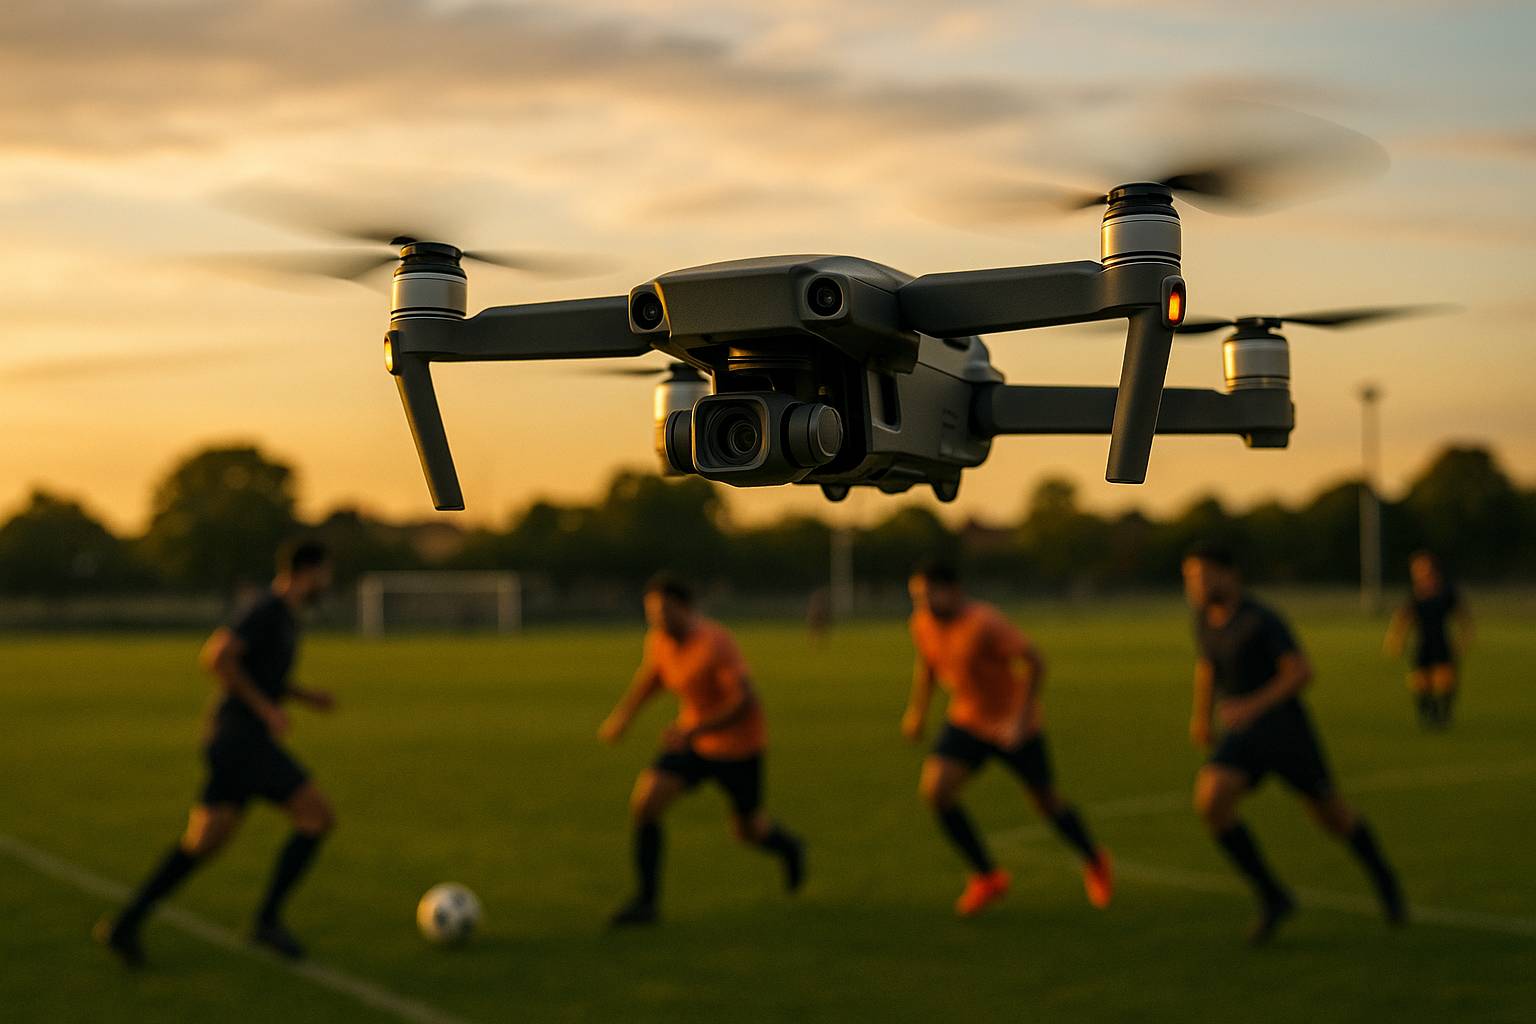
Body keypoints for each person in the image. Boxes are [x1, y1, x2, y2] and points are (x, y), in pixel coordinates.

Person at [96, 540, 338, 966]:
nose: (328, 581)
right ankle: (267, 920)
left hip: (237, 740)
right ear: (308, 571)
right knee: (316, 816)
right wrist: (266, 710)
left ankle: (124, 925)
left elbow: (260, 673)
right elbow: (218, 657)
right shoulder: (266, 609)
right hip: (241, 740)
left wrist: (303, 697)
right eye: (326, 573)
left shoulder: (285, 616)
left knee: (204, 842)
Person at [1182, 540, 1404, 944]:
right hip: (1244, 736)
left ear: (1229, 575)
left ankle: (1383, 878)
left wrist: (1251, 705)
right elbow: (1207, 665)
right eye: (1189, 577)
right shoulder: (1203, 619)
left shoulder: (1261, 619)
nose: (1195, 584)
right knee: (1211, 800)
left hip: (1286, 732)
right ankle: (1272, 896)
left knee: (1331, 816)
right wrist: (1201, 715)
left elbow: (1301, 672)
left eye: (1202, 575)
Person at [903, 561, 1112, 917]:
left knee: (1046, 802)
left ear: (953, 590)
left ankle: (1094, 860)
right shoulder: (922, 623)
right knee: (937, 792)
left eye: (927, 595)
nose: (922, 604)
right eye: (916, 597)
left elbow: (1035, 663)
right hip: (967, 720)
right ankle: (987, 877)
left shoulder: (985, 623)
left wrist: (1018, 719)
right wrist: (917, 711)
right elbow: (927, 665)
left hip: (1014, 725)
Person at [598, 574, 805, 926]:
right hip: (692, 744)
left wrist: (695, 727)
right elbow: (653, 677)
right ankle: (646, 904)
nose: (658, 620)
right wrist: (624, 717)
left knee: (748, 830)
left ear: (686, 608)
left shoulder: (714, 642)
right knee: (646, 805)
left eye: (664, 612)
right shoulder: (660, 641)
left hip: (738, 748)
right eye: (651, 614)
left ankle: (790, 849)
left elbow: (744, 701)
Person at [1385, 551, 1473, 730]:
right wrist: (1395, 639)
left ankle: (1444, 716)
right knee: (1421, 683)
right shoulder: (1415, 593)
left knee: (1445, 681)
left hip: (1441, 641)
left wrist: (1464, 639)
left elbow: (1462, 616)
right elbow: (1404, 618)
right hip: (1423, 643)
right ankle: (1428, 716)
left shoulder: (1447, 591)